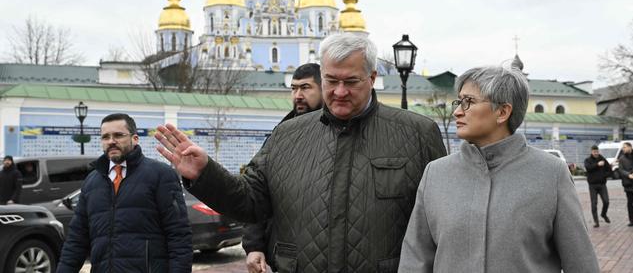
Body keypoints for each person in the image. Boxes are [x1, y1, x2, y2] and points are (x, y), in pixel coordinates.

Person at [155, 33, 447, 273]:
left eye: (351, 81)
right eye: (332, 81)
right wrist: (206, 175)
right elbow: (251, 203)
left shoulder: (417, 134)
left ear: (371, 77)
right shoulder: (288, 135)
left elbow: (441, 224)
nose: (340, 91)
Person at [399, 66, 598, 273]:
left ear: (502, 112)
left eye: (469, 102)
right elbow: (415, 258)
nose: (457, 111)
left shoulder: (551, 173)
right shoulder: (436, 174)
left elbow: (581, 262)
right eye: (459, 101)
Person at [57, 113, 192, 273]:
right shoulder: (92, 182)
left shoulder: (160, 175)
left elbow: (178, 236)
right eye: (105, 137)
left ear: (135, 139)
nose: (111, 141)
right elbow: (76, 240)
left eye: (118, 135)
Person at [244, 63, 323, 273]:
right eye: (294, 88)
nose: (298, 95)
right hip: (289, 258)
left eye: (305, 88)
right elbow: (259, 192)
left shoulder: (338, 131)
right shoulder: (281, 135)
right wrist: (254, 246)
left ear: (324, 88)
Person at [584, 144, 611, 227]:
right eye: (594, 152)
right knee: (594, 203)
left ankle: (603, 214)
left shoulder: (603, 159)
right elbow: (588, 168)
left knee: (606, 201)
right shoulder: (587, 160)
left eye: (597, 152)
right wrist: (597, 165)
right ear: (591, 152)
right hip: (592, 185)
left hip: (602, 184)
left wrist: (604, 175)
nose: (596, 153)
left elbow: (609, 170)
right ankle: (596, 221)